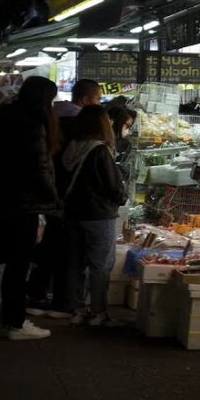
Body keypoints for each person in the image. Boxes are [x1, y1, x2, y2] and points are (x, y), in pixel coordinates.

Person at [0, 76, 61, 341]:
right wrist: (54, 200)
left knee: (13, 264)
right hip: (24, 204)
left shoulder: (4, 121)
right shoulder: (32, 125)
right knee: (19, 264)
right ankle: (15, 323)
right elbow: (39, 169)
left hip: (6, 199)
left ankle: (12, 317)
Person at [25, 79, 102, 318]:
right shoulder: (77, 125)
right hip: (62, 196)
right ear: (87, 100)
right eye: (97, 100)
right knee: (64, 250)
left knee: (49, 245)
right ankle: (60, 300)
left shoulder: (49, 117)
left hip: (46, 194)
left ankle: (36, 292)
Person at [58, 106, 128, 326]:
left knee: (75, 263)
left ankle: (77, 309)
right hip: (98, 215)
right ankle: (98, 312)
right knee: (100, 264)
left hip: (72, 213)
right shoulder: (99, 150)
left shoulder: (71, 147)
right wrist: (121, 196)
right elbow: (113, 187)